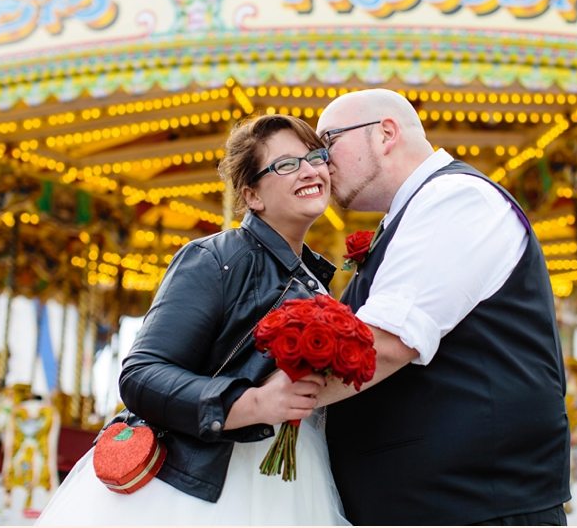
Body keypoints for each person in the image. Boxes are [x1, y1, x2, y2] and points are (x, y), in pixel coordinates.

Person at [36, 115, 348, 525]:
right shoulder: (215, 259)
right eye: (287, 164)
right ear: (252, 195)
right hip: (211, 480)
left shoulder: (312, 277)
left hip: (288, 473)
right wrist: (251, 402)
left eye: (315, 157)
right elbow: (142, 374)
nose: (309, 170)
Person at [315, 89, 570, 525]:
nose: (320, 162)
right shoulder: (418, 209)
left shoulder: (456, 198)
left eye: (328, 142)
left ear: (386, 133)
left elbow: (383, 343)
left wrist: (253, 401)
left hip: (473, 506)